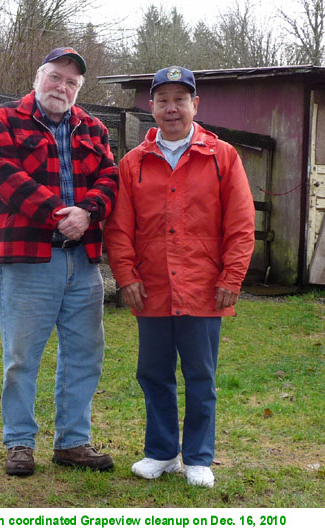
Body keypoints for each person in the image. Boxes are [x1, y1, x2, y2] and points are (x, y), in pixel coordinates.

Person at [104, 66, 255, 488]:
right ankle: (162, 452)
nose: (172, 108)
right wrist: (126, 276)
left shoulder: (222, 156)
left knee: (201, 375)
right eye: (163, 100)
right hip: (149, 289)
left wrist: (232, 276)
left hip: (205, 288)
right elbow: (119, 229)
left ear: (195, 105)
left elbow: (241, 225)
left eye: (180, 99)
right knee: (153, 374)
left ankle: (199, 457)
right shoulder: (132, 164)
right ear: (150, 107)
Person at [0, 47, 118, 476]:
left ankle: (72, 442)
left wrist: (90, 211)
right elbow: (5, 177)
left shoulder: (94, 128)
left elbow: (110, 177)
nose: (62, 87)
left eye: (71, 83)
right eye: (56, 77)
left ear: (78, 90)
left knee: (85, 354)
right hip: (28, 260)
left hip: (84, 261)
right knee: (22, 356)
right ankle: (19, 442)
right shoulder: (5, 120)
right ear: (38, 77)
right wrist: (62, 215)